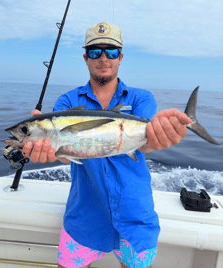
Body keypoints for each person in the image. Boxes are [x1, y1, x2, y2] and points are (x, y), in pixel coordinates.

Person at [23, 22, 192, 268]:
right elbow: (63, 152)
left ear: (120, 57)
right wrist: (48, 150)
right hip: (84, 218)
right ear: (85, 58)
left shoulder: (140, 98)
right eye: (95, 52)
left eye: (111, 52)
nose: (103, 58)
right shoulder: (67, 102)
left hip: (135, 215)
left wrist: (160, 133)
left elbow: (145, 143)